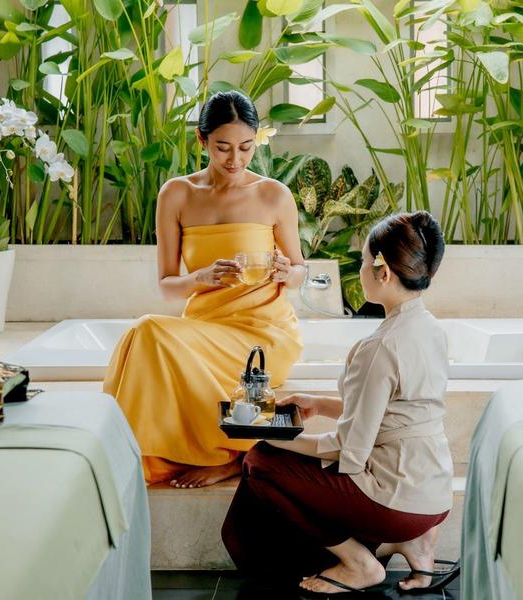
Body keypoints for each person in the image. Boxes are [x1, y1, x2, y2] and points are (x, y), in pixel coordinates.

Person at [221, 211, 455, 596]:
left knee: (261, 463)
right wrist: (321, 404)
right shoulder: (430, 328)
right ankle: (419, 543)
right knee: (277, 453)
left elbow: (350, 450)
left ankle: (359, 564)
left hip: (398, 500)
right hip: (433, 491)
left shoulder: (380, 347)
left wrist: (265, 435)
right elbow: (397, 412)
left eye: (363, 261)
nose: (360, 269)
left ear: (383, 273)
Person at [104, 91, 305, 488]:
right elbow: (166, 287)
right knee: (144, 334)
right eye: (223, 147)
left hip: (264, 337)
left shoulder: (273, 195)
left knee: (147, 333)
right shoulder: (176, 194)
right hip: (205, 328)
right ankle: (144, 455)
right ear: (202, 140)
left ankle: (229, 454)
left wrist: (288, 271)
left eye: (246, 147)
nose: (235, 160)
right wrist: (202, 278)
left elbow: (300, 268)